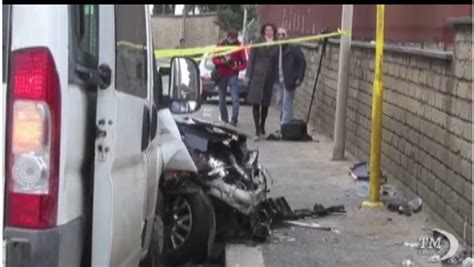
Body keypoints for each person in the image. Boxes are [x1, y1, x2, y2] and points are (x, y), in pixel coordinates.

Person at [245, 23, 279, 139]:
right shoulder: (257, 41)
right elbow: (251, 59)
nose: (269, 32)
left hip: (269, 78)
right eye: (267, 29)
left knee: (265, 104)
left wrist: (277, 78)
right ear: (263, 31)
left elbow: (276, 63)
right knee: (256, 103)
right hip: (257, 76)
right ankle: (257, 130)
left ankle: (262, 125)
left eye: (271, 30)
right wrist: (248, 75)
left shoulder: (276, 43)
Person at [212, 30, 248, 126]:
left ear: (236, 38)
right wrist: (223, 62)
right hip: (221, 75)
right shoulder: (221, 45)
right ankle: (224, 119)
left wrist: (238, 67)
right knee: (221, 99)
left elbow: (244, 62)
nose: (231, 40)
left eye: (233, 38)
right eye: (230, 38)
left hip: (233, 75)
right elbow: (214, 59)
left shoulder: (239, 47)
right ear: (227, 37)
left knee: (235, 98)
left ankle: (234, 119)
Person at [276, 27, 306, 125]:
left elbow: (302, 62)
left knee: (286, 104)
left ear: (287, 36)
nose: (280, 36)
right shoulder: (276, 48)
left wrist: (299, 77)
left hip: (289, 80)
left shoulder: (293, 48)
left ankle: (284, 126)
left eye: (283, 34)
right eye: (279, 34)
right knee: (282, 103)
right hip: (278, 80)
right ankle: (289, 123)